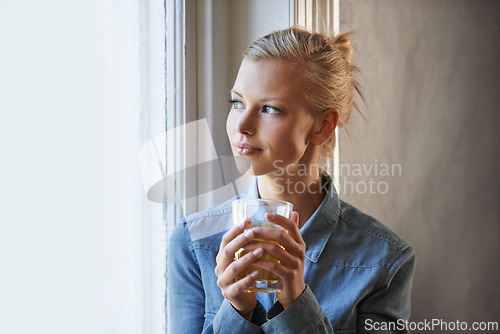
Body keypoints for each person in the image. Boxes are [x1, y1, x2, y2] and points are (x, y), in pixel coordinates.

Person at [168, 26, 415, 333]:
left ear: (323, 126)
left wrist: (297, 304)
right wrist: (237, 311)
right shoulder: (193, 243)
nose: (241, 125)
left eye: (270, 108)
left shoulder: (385, 261)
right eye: (237, 102)